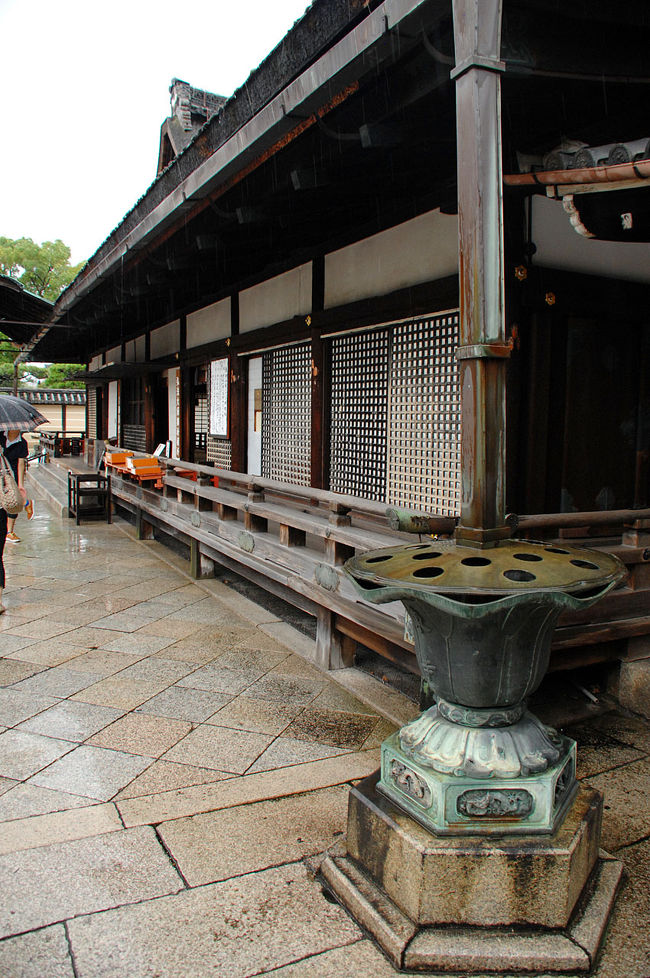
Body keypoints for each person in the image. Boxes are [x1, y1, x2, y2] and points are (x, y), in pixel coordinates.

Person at [0, 430, 34, 544]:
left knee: (13, 501)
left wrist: (20, 485)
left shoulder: (22, 443)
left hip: (11, 475)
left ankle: (10, 531)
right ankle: (26, 503)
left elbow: (21, 464)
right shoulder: (1, 437)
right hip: (0, 472)